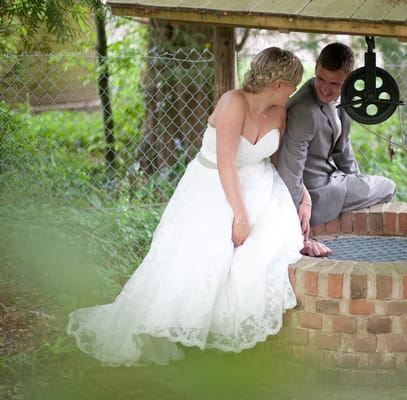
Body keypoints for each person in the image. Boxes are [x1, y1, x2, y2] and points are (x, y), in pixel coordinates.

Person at [67, 47, 305, 366]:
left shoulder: (280, 112)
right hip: (213, 186)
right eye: (293, 84)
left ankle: (235, 330)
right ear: (278, 83)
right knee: (200, 257)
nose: (294, 91)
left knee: (263, 255)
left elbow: (275, 159)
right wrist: (240, 216)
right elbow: (225, 163)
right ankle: (175, 326)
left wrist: (302, 193)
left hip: (261, 185)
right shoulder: (233, 102)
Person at [277, 43, 396, 257]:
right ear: (315, 68)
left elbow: (343, 149)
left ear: (349, 80)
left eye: (334, 83)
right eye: (320, 79)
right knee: (388, 186)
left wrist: (356, 179)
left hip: (334, 177)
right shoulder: (303, 111)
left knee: (369, 184)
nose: (324, 88)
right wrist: (296, 226)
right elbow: (291, 169)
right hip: (318, 192)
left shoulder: (344, 100)